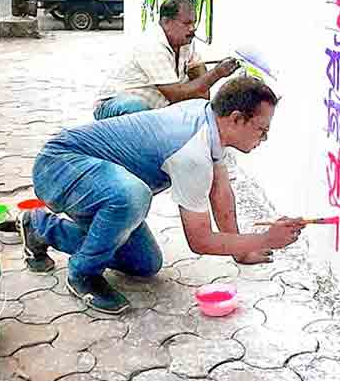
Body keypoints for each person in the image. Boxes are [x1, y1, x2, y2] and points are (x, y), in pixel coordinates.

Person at [21, 76, 306, 314]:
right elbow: (200, 240)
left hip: (95, 182)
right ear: (236, 119)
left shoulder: (208, 118)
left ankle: (40, 228)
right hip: (59, 166)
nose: (264, 139)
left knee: (145, 264)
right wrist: (266, 239)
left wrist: (241, 251)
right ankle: (82, 273)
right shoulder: (193, 151)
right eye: (262, 130)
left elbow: (220, 192)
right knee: (133, 196)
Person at [93, 0, 240, 120]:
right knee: (136, 108)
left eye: (194, 23)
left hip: (153, 107)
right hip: (113, 105)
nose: (192, 28)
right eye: (187, 23)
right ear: (166, 22)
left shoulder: (184, 40)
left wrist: (201, 86)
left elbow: (196, 68)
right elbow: (176, 95)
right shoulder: (151, 45)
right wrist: (216, 73)